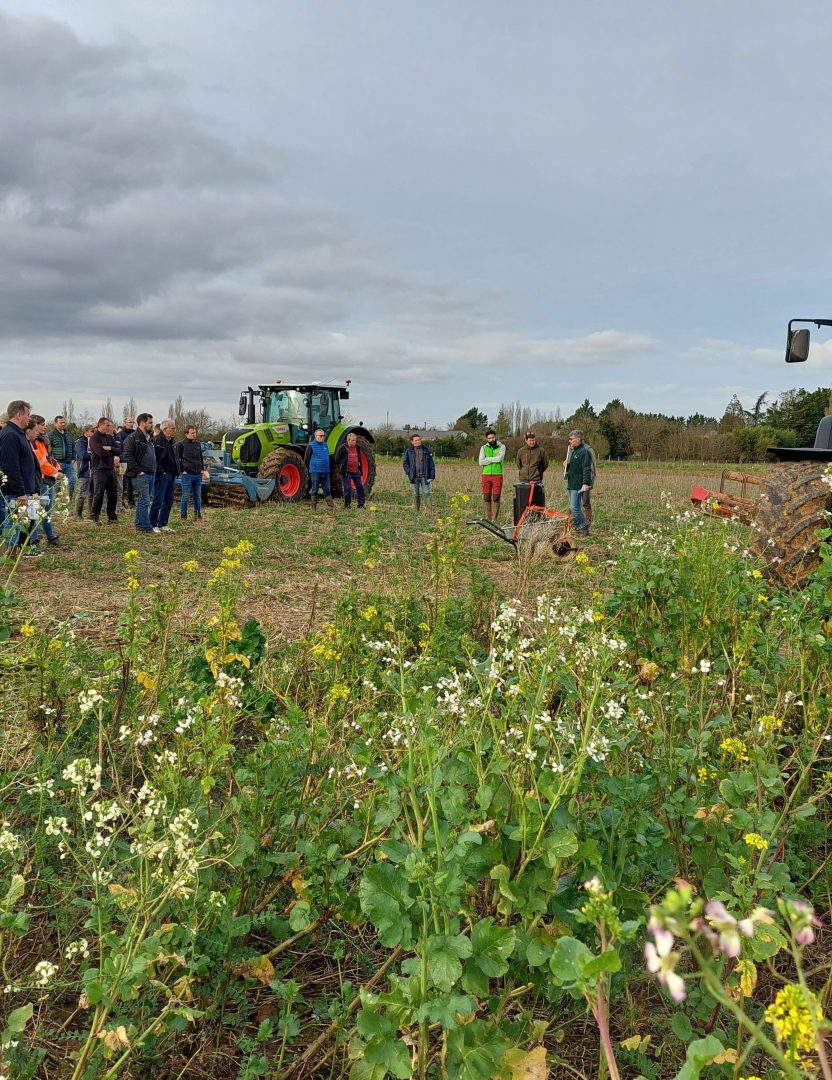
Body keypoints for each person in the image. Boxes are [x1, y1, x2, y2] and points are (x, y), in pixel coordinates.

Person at [0, 400, 41, 557]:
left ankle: (12, 556)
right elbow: (12, 466)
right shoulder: (10, 435)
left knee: (17, 523)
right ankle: (8, 560)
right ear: (19, 415)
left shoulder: (17, 433)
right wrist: (20, 491)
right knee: (12, 524)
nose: (29, 419)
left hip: (22, 489)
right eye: (27, 415)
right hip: (14, 490)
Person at [123, 413, 158, 534]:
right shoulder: (133, 438)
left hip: (151, 472)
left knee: (144, 500)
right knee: (145, 500)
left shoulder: (149, 438)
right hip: (141, 474)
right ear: (142, 423)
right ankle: (145, 527)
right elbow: (127, 455)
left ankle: (140, 524)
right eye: (150, 422)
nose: (151, 425)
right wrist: (139, 471)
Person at [30, 415, 63, 546]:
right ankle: (34, 540)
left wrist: (58, 469)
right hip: (40, 480)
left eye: (44, 424)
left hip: (48, 479)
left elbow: (49, 458)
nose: (44, 427)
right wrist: (55, 472)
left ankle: (50, 536)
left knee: (47, 510)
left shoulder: (43, 440)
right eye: (41, 424)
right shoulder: (34, 442)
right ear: (34, 426)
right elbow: (40, 463)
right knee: (37, 511)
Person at [89, 417, 120, 525]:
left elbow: (119, 449)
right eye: (107, 425)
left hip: (110, 469)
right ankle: (94, 516)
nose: (109, 427)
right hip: (99, 469)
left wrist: (110, 448)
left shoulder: (109, 437)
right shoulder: (94, 438)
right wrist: (111, 452)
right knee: (99, 493)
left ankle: (111, 516)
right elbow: (100, 453)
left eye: (109, 425)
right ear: (101, 425)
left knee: (113, 494)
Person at [150, 419, 180, 531]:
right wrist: (160, 471)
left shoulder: (171, 442)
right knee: (157, 500)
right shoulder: (157, 441)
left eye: (174, 428)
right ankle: (152, 524)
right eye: (172, 428)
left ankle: (163, 523)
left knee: (168, 500)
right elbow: (154, 459)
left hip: (171, 475)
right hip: (161, 475)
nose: (174, 430)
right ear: (165, 429)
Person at [564, 429, 593, 535]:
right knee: (574, 507)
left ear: (578, 439)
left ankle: (584, 526)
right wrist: (567, 465)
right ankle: (577, 526)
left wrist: (585, 483)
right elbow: (575, 467)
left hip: (578, 484)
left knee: (574, 507)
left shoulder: (584, 452)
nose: (570, 441)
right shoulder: (574, 451)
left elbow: (586, 468)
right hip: (571, 484)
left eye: (571, 439)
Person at [177, 425, 205, 520]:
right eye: (192, 433)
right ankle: (183, 516)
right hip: (187, 474)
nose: (194, 434)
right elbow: (177, 459)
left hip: (198, 474)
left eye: (195, 432)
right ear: (186, 434)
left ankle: (197, 515)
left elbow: (201, 457)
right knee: (185, 496)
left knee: (197, 496)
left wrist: (202, 469)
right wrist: (182, 471)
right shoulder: (181, 445)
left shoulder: (198, 444)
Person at [402, 432, 435, 510]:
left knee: (426, 493)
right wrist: (408, 472)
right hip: (414, 476)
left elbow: (432, 464)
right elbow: (405, 463)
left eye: (419, 440)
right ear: (412, 442)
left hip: (425, 476)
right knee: (415, 493)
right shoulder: (409, 451)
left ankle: (429, 510)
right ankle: (417, 510)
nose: (418, 441)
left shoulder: (426, 450)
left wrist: (432, 475)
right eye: (416, 440)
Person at [303, 429, 335, 510]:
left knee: (327, 489)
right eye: (321, 436)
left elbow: (327, 457)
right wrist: (310, 469)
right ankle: (314, 507)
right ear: (316, 436)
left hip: (326, 471)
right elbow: (306, 459)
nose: (322, 437)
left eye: (323, 435)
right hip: (315, 472)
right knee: (314, 489)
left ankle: (331, 507)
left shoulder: (325, 445)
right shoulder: (311, 446)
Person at [478, 429, 505, 521]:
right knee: (486, 497)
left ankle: (494, 519)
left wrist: (487, 459)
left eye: (493, 437)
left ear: (495, 437)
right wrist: (493, 458)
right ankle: (488, 518)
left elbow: (499, 459)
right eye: (489, 438)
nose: (492, 439)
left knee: (496, 497)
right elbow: (481, 462)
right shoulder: (483, 448)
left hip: (497, 475)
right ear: (487, 439)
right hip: (485, 475)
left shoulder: (502, 447)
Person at [334, 432, 365, 509]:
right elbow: (337, 459)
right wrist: (341, 469)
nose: (354, 442)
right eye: (352, 440)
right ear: (348, 440)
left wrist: (359, 468)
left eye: (355, 440)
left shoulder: (357, 447)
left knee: (360, 488)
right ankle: (347, 505)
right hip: (347, 472)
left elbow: (359, 458)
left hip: (356, 471)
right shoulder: (342, 448)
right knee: (347, 489)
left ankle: (361, 504)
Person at [48, 414, 76, 498]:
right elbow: (49, 449)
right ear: (55, 423)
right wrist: (52, 460)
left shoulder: (68, 434)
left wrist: (73, 458)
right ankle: (57, 499)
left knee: (72, 480)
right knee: (57, 483)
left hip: (68, 462)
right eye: (61, 423)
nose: (63, 424)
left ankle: (69, 498)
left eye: (64, 422)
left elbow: (73, 446)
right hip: (57, 462)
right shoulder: (51, 435)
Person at [74, 424, 95, 519]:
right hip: (84, 471)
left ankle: (91, 513)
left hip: (94, 471)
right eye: (92, 431)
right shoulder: (80, 442)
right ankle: (78, 513)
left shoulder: (95, 441)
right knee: (82, 493)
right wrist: (96, 456)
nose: (94, 433)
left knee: (93, 493)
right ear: (86, 431)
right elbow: (83, 455)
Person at [115, 417, 136, 509]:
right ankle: (121, 501)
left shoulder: (135, 433)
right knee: (123, 482)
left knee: (131, 482)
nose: (131, 424)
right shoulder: (120, 435)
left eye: (132, 422)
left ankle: (131, 501)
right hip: (123, 461)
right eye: (129, 422)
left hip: (133, 461)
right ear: (125, 423)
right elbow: (119, 448)